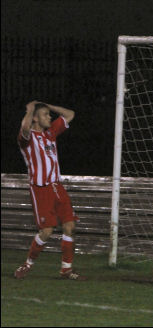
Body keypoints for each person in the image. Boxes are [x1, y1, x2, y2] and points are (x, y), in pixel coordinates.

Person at [14, 100, 86, 280]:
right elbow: (24, 126)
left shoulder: (50, 133)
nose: (50, 117)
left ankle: (66, 269)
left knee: (70, 226)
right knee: (47, 231)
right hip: (41, 189)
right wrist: (31, 110)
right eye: (46, 114)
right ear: (36, 119)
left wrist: (48, 105)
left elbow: (70, 114)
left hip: (57, 187)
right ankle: (27, 264)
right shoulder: (28, 138)